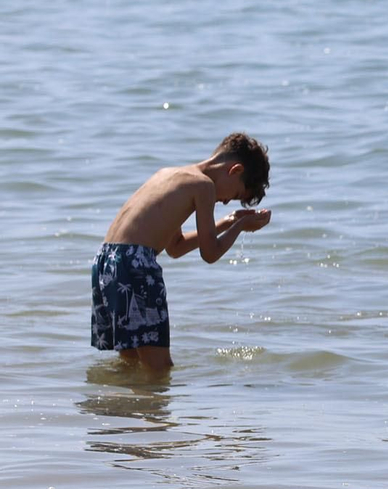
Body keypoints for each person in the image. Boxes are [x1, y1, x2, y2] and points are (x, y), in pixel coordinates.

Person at [91, 133, 272, 370]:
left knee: (132, 361)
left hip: (107, 262)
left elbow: (175, 247)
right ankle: (151, 405)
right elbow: (210, 253)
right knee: (159, 368)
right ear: (235, 170)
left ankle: (126, 405)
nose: (227, 202)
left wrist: (227, 222)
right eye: (236, 195)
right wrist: (240, 227)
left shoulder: (169, 174)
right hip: (135, 265)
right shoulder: (204, 186)